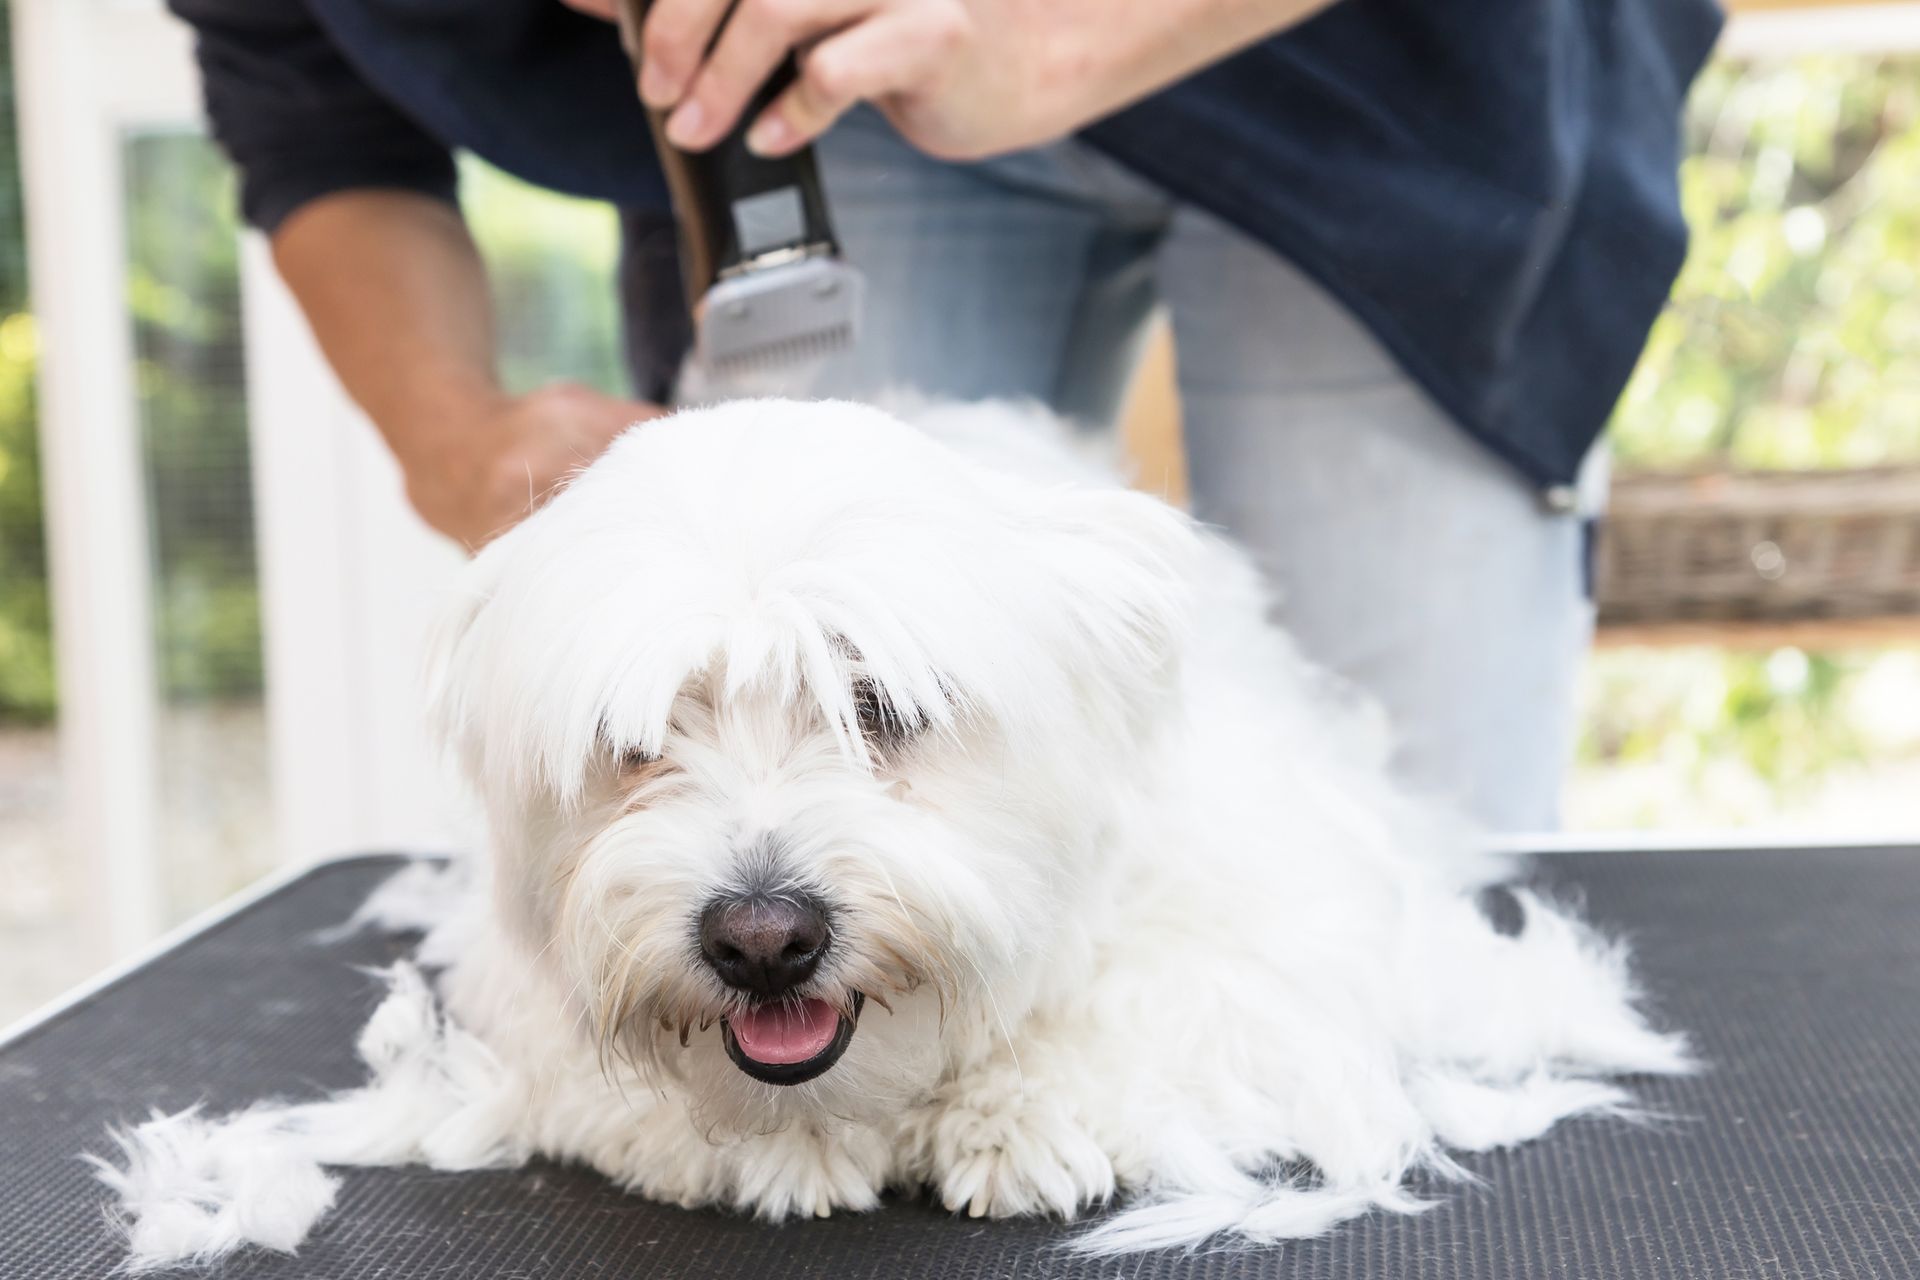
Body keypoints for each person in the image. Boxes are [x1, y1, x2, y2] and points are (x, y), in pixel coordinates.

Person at [167, 0, 1722, 831]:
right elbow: (310, 104)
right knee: (790, 701)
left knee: (1426, 863)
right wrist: (453, 432)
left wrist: (1056, 31)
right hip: (837, 107)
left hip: (1405, 68)